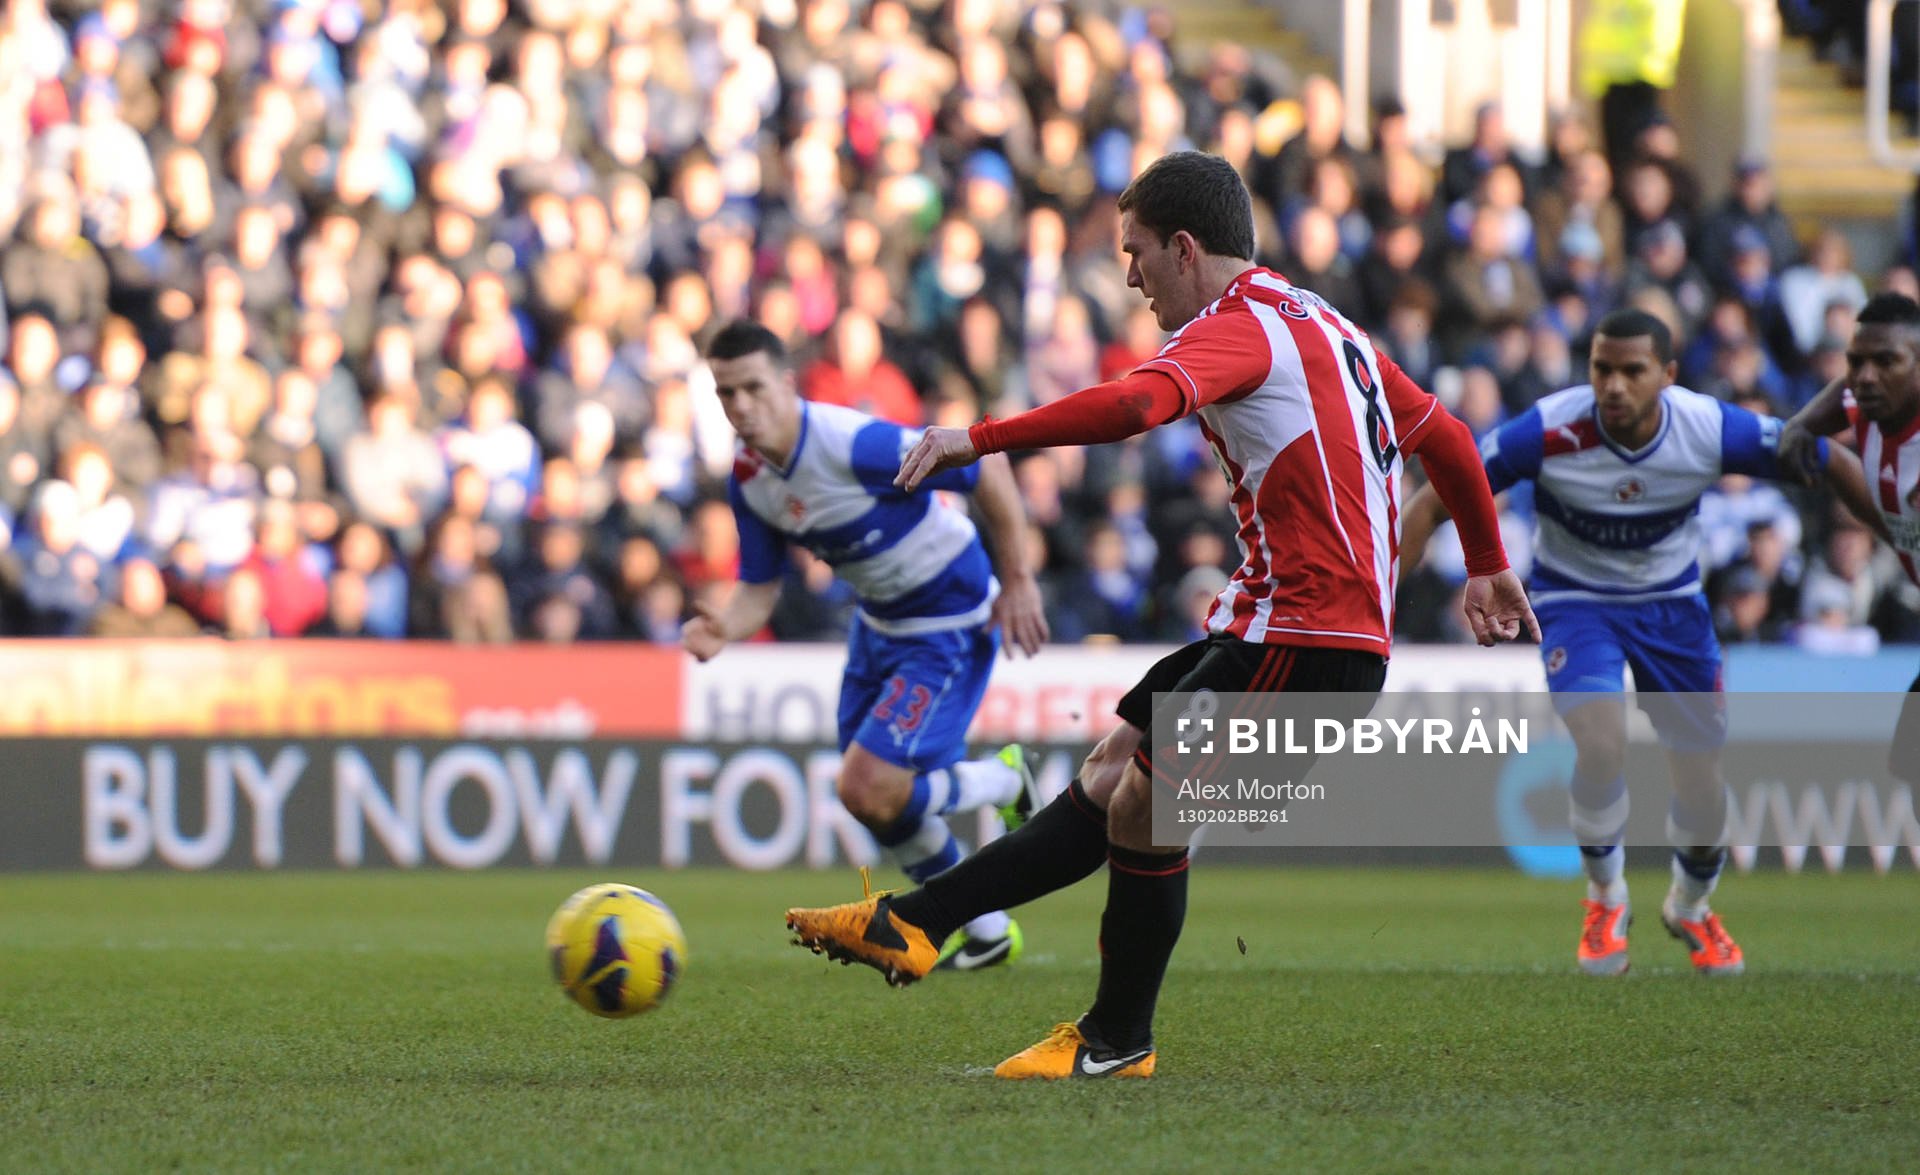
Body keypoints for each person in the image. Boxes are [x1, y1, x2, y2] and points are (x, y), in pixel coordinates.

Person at [786, 151, 1535, 1078]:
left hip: (1306, 640)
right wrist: (1490, 564)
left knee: (1146, 803)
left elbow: (1138, 402)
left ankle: (1115, 1040)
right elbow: (1450, 438)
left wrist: (975, 440)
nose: (1130, 275)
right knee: (1112, 776)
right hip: (1273, 629)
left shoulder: (1238, 328)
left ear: (1186, 247)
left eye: (1137, 253)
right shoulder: (1322, 321)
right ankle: (916, 921)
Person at [1400, 308, 1880, 979]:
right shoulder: (1547, 428)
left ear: (1669, 375)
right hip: (1576, 604)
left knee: (1703, 785)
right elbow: (1436, 497)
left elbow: (1826, 457)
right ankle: (1605, 898)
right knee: (1600, 741)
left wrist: (1896, 534)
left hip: (1672, 608)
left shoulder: (1707, 426)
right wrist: (1381, 585)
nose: (1615, 385)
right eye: (1602, 368)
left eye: (1633, 371)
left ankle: (1691, 904)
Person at [684, 320, 1049, 972]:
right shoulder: (750, 479)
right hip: (878, 624)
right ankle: (988, 929)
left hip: (948, 619)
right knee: (871, 800)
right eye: (725, 394)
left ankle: (1000, 778)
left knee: (868, 783)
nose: (740, 406)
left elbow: (984, 466)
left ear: (787, 384)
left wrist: (1018, 579)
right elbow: (758, 589)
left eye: (752, 388)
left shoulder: (851, 444)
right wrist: (722, 626)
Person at [1781, 292, 1920, 784]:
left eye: (1886, 361)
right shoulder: (1870, 404)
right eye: (1857, 362)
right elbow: (1842, 397)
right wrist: (1802, 426)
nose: (1866, 375)